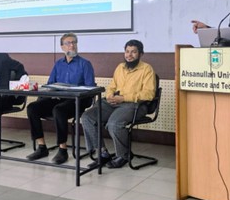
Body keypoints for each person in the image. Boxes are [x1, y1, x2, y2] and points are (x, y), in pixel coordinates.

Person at [81, 39, 156, 169]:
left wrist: (124, 98)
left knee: (114, 124)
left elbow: (149, 94)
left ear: (141, 54)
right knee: (87, 117)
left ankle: (124, 155)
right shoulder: (120, 67)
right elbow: (112, 86)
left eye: (133, 52)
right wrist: (110, 95)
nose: (129, 55)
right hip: (114, 103)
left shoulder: (147, 69)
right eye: (127, 51)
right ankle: (102, 153)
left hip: (134, 105)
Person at [26, 32, 96, 165]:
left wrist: (74, 91)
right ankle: (42, 147)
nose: (72, 45)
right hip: (58, 98)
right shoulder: (58, 64)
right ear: (62, 47)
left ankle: (62, 149)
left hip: (77, 100)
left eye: (74, 43)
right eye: (68, 43)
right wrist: (51, 89)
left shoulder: (85, 64)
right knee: (32, 108)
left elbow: (90, 88)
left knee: (59, 110)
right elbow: (50, 83)